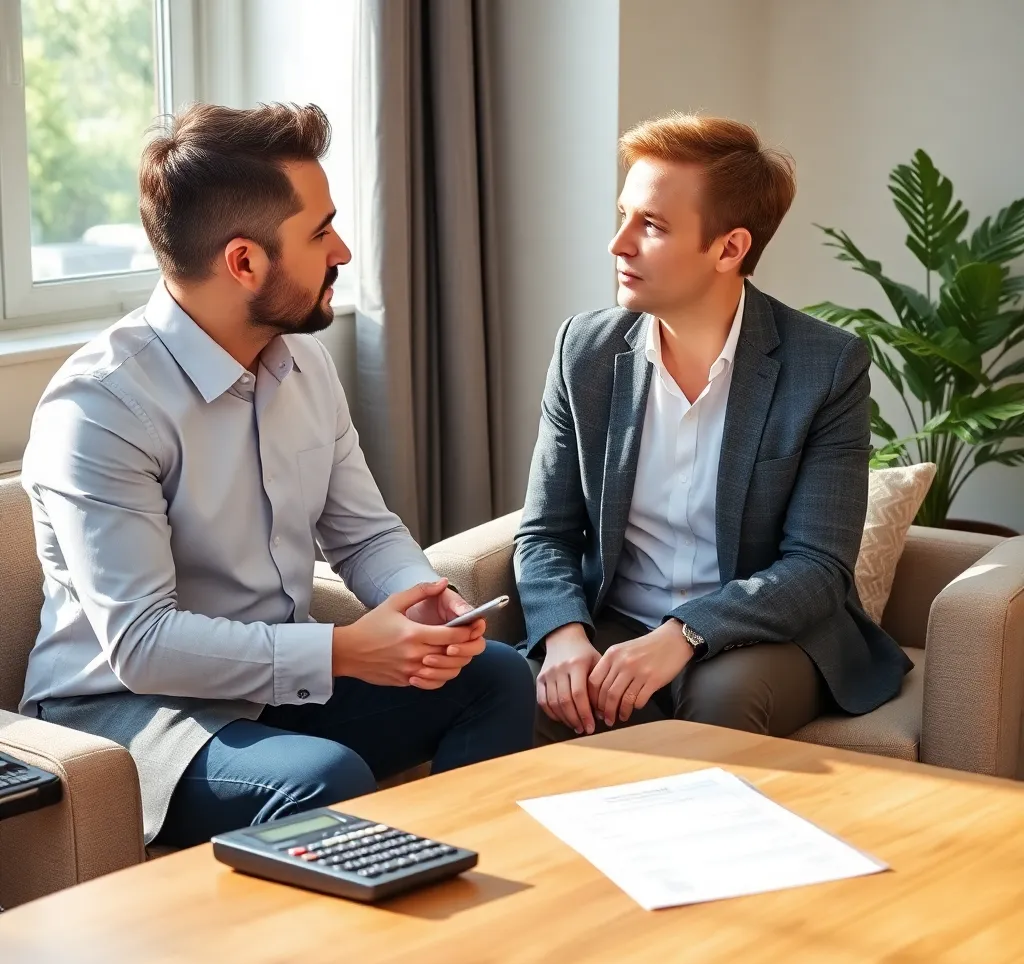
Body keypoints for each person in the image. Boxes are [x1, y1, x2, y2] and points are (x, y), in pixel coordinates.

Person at [20, 103, 534, 848]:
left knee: (497, 675)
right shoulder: (101, 408)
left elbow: (363, 535)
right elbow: (143, 644)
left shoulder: (305, 366)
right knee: (321, 779)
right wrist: (347, 650)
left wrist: (425, 601)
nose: (345, 251)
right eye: (321, 232)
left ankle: (463, 898)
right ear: (244, 262)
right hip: (137, 718)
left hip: (278, 687)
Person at [515, 113, 910, 741]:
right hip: (618, 618)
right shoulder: (583, 351)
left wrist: (685, 633)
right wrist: (563, 634)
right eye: (624, 215)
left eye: (652, 225)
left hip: (761, 633)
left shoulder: (825, 365)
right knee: (541, 698)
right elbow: (545, 532)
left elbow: (817, 565)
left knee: (720, 700)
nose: (619, 243)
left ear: (730, 248)